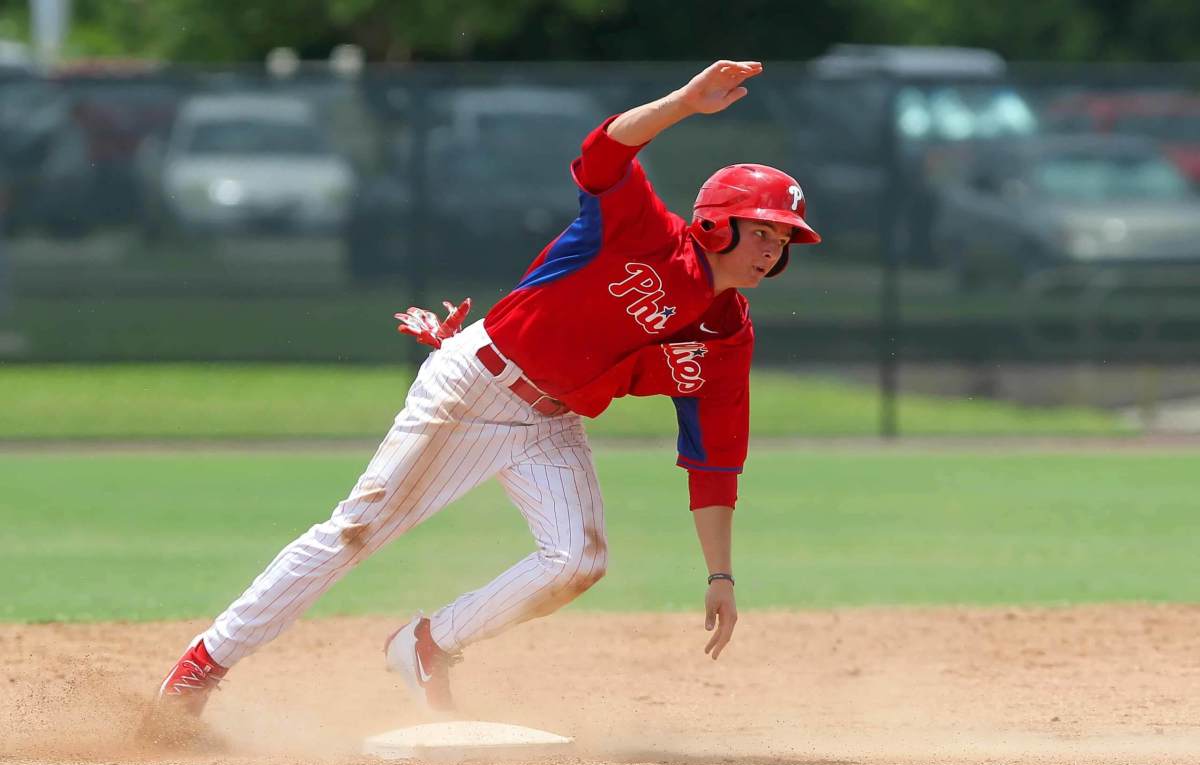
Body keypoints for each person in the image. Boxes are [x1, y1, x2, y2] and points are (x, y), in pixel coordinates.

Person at [156, 60, 820, 716]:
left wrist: (721, 576)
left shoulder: (726, 337)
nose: (770, 248)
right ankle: (202, 666)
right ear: (715, 224)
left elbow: (714, 459)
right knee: (355, 532)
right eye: (760, 230)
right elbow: (601, 155)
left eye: (783, 237)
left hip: (550, 421)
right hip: (475, 385)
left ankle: (427, 644)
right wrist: (682, 102)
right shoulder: (644, 233)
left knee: (577, 561)